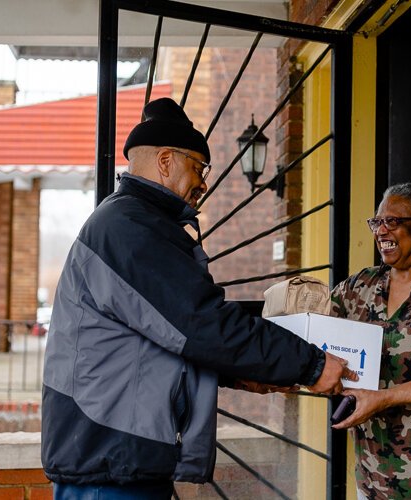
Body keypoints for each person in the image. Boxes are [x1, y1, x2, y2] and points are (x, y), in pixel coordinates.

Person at [41, 97, 356, 499]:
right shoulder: (128, 228)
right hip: (109, 465)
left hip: (115, 458)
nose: (203, 183)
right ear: (166, 161)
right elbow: (200, 323)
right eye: (198, 167)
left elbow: (160, 339)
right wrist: (311, 364)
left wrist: (243, 373)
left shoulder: (132, 222)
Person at [330, 182, 411, 499]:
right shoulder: (362, 285)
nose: (380, 230)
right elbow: (316, 325)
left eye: (392, 221)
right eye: (376, 222)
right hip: (370, 477)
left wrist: (384, 397)